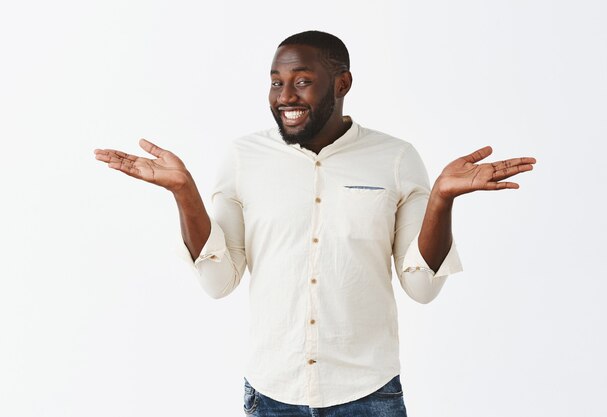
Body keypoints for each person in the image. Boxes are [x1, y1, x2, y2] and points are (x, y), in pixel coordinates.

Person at [94, 30, 535, 417]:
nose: (285, 96)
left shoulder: (396, 159)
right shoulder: (243, 158)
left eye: (301, 81)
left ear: (342, 83)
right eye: (276, 82)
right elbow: (218, 281)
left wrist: (441, 200)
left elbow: (422, 288)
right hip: (272, 394)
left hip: (369, 393)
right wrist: (184, 193)